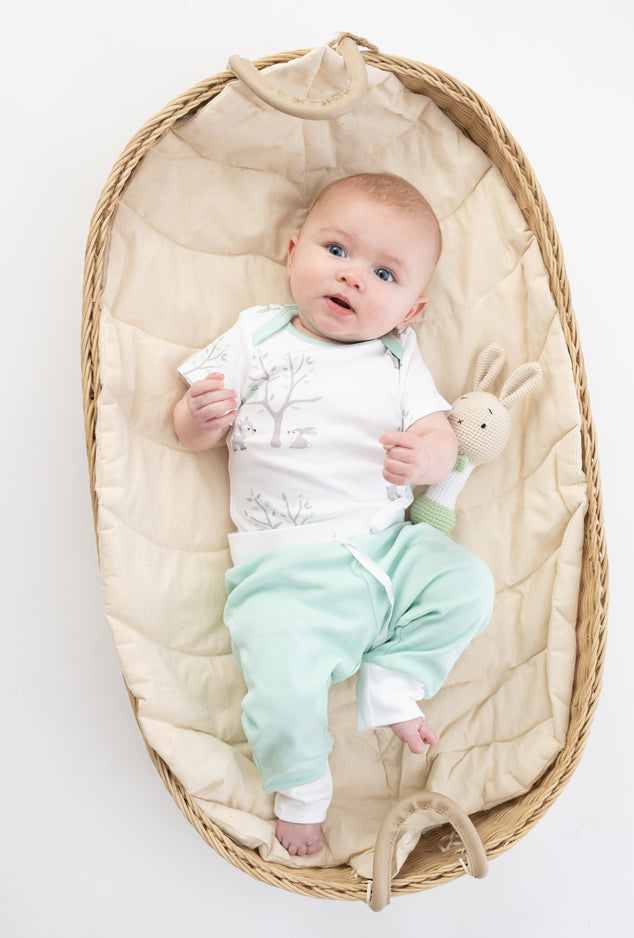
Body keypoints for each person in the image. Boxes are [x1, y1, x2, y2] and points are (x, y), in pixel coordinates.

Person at [173, 173, 494, 857]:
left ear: (410, 309)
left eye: (384, 273)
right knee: (278, 680)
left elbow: (442, 435)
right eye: (337, 251)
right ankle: (301, 789)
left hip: (389, 550)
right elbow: (190, 433)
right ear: (293, 253)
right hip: (285, 571)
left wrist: (427, 459)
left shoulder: (399, 356)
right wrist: (198, 417)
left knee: (467, 583)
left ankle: (395, 678)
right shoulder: (255, 334)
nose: (353, 277)